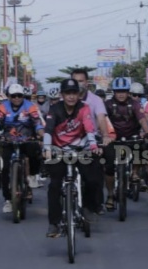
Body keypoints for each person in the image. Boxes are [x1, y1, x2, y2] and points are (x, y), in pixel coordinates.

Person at [42, 78, 103, 237]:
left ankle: (89, 208)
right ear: (62, 95)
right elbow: (48, 130)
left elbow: (89, 128)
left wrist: (93, 146)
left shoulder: (84, 108)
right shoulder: (54, 109)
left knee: (92, 179)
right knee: (54, 186)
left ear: (78, 94)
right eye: (67, 93)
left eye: (74, 93)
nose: (71, 97)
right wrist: (47, 148)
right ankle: (54, 223)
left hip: (80, 149)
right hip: (59, 150)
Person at [0, 84, 45, 213]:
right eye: (13, 96)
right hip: (9, 139)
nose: (17, 98)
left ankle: (31, 176)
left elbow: (37, 123)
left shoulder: (30, 106)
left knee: (35, 152)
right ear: (9, 96)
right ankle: (8, 199)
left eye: (19, 95)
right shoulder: (3, 107)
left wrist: (43, 136)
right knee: (5, 169)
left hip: (27, 137)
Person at [103, 77, 148, 211]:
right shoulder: (107, 104)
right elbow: (101, 121)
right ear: (114, 92)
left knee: (143, 146)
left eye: (124, 91)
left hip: (132, 136)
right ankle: (110, 194)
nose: (121, 94)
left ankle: (135, 173)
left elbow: (142, 119)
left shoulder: (135, 104)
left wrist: (147, 132)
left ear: (128, 92)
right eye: (118, 91)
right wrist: (103, 135)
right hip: (113, 138)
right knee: (108, 166)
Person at [71, 69, 112, 214]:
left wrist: (106, 135)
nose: (78, 84)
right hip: (70, 142)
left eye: (81, 81)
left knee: (96, 172)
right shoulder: (67, 100)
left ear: (87, 83)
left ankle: (97, 203)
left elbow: (101, 118)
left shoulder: (96, 100)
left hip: (92, 141)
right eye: (75, 81)